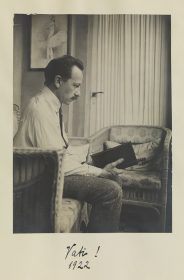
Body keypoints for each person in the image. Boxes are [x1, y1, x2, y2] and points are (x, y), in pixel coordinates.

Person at [14, 55, 123, 233]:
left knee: (112, 178)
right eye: (76, 85)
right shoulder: (40, 110)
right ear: (58, 81)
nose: (79, 92)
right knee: (111, 190)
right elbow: (57, 163)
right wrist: (99, 172)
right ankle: (98, 247)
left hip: (48, 173)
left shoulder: (52, 106)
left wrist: (93, 162)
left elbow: (62, 148)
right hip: (37, 181)